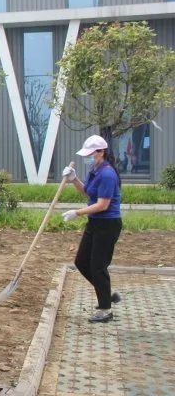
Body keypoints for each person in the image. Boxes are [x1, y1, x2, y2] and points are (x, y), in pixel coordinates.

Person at [61, 134, 123, 323]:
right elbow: (88, 192)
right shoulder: (95, 169)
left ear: (101, 152)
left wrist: (77, 212)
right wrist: (74, 179)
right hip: (95, 223)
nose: (88, 157)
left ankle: (105, 310)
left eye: (91, 153)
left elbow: (103, 205)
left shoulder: (107, 174)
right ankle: (106, 294)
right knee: (81, 262)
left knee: (97, 266)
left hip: (108, 224)